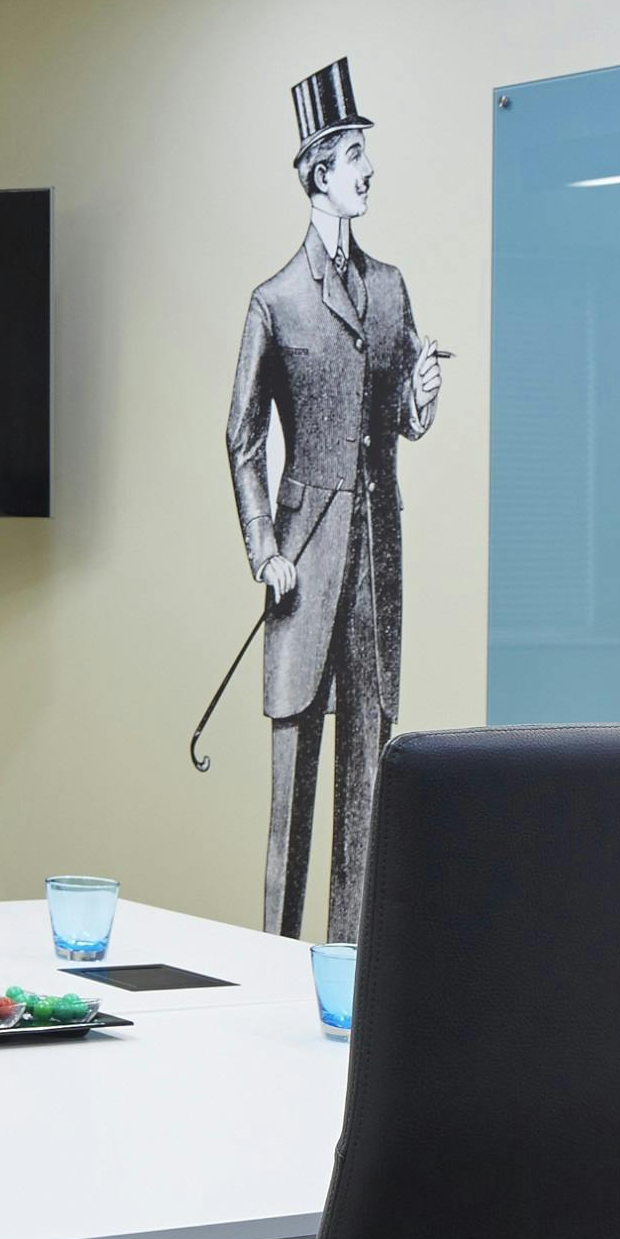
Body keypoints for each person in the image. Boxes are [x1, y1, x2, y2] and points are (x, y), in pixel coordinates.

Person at [224, 58, 444, 944]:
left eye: (366, 151)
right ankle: (271, 976)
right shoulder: (274, 301)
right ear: (320, 171)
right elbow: (242, 439)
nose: (367, 168)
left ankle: (348, 998)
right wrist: (264, 553)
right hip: (304, 574)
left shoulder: (389, 288)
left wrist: (421, 397)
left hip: (375, 573)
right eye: (354, 152)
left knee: (367, 793)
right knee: (293, 814)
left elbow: (394, 418)